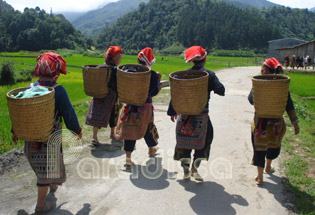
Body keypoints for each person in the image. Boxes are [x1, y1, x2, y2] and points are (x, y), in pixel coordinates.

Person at [11, 52, 82, 213]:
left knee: (43, 170)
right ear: (56, 74)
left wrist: (14, 131)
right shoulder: (58, 91)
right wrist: (76, 130)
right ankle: (40, 206)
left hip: (30, 141)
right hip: (49, 142)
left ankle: (51, 185)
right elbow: (68, 113)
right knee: (45, 172)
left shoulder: (30, 88)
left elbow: (19, 114)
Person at [167, 46, 225, 182]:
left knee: (184, 144)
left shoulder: (183, 75)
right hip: (202, 116)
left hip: (184, 116)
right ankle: (194, 168)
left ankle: (186, 172)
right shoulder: (209, 75)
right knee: (206, 140)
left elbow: (175, 94)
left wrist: (172, 111)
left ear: (192, 61)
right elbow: (221, 90)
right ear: (204, 59)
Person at [248, 57, 300, 185]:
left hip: (260, 123)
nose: (261, 69)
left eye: (262, 67)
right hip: (276, 123)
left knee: (259, 148)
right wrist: (295, 122)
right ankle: (268, 167)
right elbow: (289, 104)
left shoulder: (259, 83)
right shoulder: (281, 86)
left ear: (265, 69)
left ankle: (260, 177)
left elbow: (251, 100)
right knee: (273, 146)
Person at [116, 47, 161, 169]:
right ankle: (151, 148)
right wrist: (158, 83)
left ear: (138, 59)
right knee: (147, 127)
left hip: (130, 106)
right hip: (145, 108)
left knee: (130, 132)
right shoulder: (151, 74)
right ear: (150, 61)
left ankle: (128, 159)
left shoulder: (129, 72)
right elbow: (153, 92)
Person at [85, 46, 123, 146]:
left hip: (98, 94)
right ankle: (112, 133)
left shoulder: (100, 67)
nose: (120, 60)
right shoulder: (115, 70)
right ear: (115, 58)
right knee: (113, 114)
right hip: (111, 96)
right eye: (119, 57)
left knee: (97, 114)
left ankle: (94, 136)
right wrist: (121, 100)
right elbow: (118, 85)